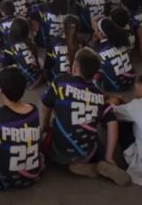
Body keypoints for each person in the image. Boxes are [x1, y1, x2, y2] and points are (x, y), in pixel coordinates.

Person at [41, 48, 131, 185]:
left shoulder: (61, 81)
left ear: (74, 67)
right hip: (86, 152)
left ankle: (72, 164)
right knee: (93, 133)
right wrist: (109, 155)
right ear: (95, 75)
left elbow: (45, 107)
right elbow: (113, 123)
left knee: (49, 139)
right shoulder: (98, 95)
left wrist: (45, 127)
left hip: (58, 152)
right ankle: (102, 161)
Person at [0, 18, 42, 88]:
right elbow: (37, 60)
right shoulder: (30, 42)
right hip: (37, 77)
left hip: (24, 82)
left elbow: (4, 63)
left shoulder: (9, 45)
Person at [93, 18, 135, 92]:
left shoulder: (98, 49)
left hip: (116, 87)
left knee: (94, 70)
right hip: (131, 81)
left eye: (97, 29)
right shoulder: (121, 40)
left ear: (101, 33)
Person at [44, 15, 79, 83]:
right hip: (73, 82)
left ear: (63, 27)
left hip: (55, 79)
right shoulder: (81, 43)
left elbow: (48, 63)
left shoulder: (53, 41)